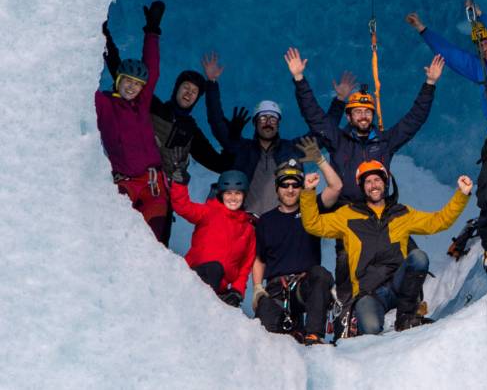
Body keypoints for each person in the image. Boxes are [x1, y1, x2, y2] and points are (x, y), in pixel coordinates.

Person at [284, 46, 444, 302]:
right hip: (349, 212)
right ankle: (348, 307)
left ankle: (411, 307)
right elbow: (314, 116)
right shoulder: (339, 139)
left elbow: (414, 120)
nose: (362, 115)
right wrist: (299, 79)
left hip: (382, 212)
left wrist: (430, 83)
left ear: (373, 115)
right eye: (357, 111)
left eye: (367, 112)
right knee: (346, 258)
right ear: (349, 115)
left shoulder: (385, 142)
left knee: (408, 252)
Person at [406, 0, 487, 270]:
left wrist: (481, 17)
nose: (485, 47)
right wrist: (423, 30)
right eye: (481, 44)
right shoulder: (481, 70)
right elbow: (452, 55)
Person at [300, 160, 472, 334]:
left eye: (377, 180)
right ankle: (358, 319)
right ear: (362, 187)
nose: (373, 185)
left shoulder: (401, 213)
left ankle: (405, 318)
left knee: (418, 258)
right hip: (369, 292)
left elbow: (438, 221)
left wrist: (461, 195)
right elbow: (313, 224)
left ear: (385, 183)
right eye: (368, 181)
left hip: (398, 284)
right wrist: (308, 192)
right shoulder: (347, 215)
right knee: (371, 328)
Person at [103, 28, 233, 244]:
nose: (189, 93)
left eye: (194, 92)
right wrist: (106, 41)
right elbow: (125, 75)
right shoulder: (153, 108)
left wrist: (232, 139)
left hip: (164, 194)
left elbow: (218, 163)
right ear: (176, 88)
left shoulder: (191, 130)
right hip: (135, 179)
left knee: (155, 245)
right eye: (186, 87)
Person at [202, 51, 320, 216]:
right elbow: (216, 122)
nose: (268, 123)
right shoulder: (241, 148)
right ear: (255, 123)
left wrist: (338, 101)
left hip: (282, 225)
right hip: (246, 225)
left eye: (273, 119)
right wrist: (212, 83)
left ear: (278, 125)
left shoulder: (292, 149)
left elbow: (322, 131)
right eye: (263, 118)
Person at [94, 0, 169, 241]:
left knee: (154, 245)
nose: (132, 87)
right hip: (126, 186)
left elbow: (152, 69)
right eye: (127, 81)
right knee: (124, 243)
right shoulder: (104, 104)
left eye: (137, 85)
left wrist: (152, 31)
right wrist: (97, 39)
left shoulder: (141, 103)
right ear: (118, 81)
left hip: (153, 185)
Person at [251, 156, 336, 345]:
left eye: (295, 185)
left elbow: (335, 188)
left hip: (304, 287)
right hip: (276, 289)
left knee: (319, 274)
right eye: (285, 185)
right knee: (267, 331)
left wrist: (321, 162)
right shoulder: (266, 221)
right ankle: (293, 329)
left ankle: (314, 335)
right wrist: (257, 288)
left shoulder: (311, 210)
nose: (290, 189)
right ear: (277, 189)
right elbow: (259, 258)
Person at [168, 165, 256, 307]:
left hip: (219, 288)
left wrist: (237, 291)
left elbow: (245, 265)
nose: (233, 198)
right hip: (195, 276)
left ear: (244, 195)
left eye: (238, 193)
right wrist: (179, 183)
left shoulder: (248, 229)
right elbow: (183, 207)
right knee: (215, 268)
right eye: (228, 193)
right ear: (221, 194)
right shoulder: (209, 212)